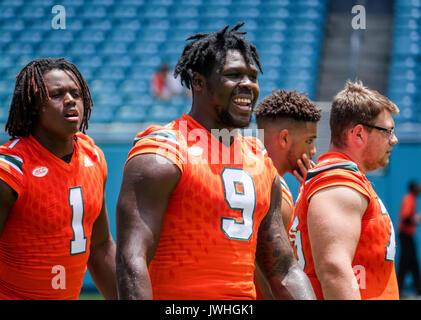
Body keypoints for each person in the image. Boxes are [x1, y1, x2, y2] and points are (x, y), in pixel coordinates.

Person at [115, 23, 315, 300]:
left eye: (252, 76)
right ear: (198, 82)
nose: (247, 84)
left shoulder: (259, 160)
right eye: (233, 75)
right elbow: (130, 260)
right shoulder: (163, 152)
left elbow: (283, 269)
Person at [0, 58, 117, 300]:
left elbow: (100, 246)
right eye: (56, 94)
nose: (70, 100)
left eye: (76, 93)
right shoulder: (10, 169)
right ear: (33, 105)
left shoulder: (93, 156)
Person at [292, 80, 400, 299]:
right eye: (387, 131)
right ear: (358, 133)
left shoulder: (337, 179)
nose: (394, 140)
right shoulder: (338, 183)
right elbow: (335, 270)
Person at [253, 89, 321, 299]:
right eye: (310, 141)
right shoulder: (275, 194)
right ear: (284, 138)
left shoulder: (254, 173)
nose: (314, 151)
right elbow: (268, 273)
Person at [397, 181, 421, 296]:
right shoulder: (409, 199)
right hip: (405, 236)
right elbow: (406, 219)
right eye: (418, 187)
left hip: (408, 236)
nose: (419, 188)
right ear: (413, 188)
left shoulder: (412, 199)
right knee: (406, 263)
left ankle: (416, 289)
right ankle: (398, 289)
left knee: (412, 264)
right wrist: (417, 218)